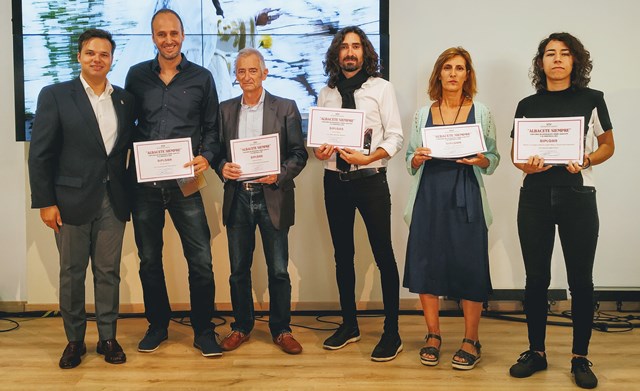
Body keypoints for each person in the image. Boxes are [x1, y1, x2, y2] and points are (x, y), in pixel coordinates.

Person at [508, 32, 615, 389]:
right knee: (536, 279)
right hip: (535, 197)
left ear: (575, 61)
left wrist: (586, 158)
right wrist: (528, 165)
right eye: (550, 53)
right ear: (540, 63)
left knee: (580, 280)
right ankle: (536, 352)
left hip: (577, 195)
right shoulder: (527, 104)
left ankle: (580, 356)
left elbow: (607, 145)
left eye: (564, 53)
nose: (557, 59)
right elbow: (515, 156)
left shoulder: (592, 99)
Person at [28, 28, 135, 369]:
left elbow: (126, 151)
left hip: (113, 200)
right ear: (79, 56)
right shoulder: (56, 95)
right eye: (90, 53)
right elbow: (40, 154)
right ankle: (74, 341)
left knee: (108, 273)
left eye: (104, 54)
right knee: (72, 273)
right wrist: (45, 202)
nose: (97, 59)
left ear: (112, 59)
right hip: (69, 201)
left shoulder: (125, 99)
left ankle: (107, 337)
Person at [124, 9, 222, 357]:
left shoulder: (202, 77)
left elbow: (213, 129)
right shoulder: (136, 76)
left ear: (183, 35)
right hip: (145, 187)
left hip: (186, 183)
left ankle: (203, 330)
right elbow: (127, 127)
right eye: (161, 34)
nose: (169, 39)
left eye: (174, 33)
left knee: (201, 261)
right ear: (153, 37)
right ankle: (158, 325)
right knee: (149, 260)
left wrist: (207, 156)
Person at [403, 47, 500, 370]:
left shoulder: (482, 111)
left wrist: (481, 159)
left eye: (460, 68)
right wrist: (416, 158)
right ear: (439, 74)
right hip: (429, 196)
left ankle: (471, 339)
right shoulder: (422, 114)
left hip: (466, 194)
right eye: (448, 68)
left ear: (468, 75)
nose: (454, 74)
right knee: (426, 263)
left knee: (470, 266)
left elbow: (494, 158)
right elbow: (409, 160)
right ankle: (433, 335)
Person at [314, 26, 404, 362]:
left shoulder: (381, 88)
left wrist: (370, 156)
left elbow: (395, 137)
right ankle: (349, 324)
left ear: (365, 52)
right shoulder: (327, 93)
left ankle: (391, 331)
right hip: (334, 181)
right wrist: (319, 152)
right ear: (337, 54)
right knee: (343, 256)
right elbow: (318, 143)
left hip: (370, 180)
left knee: (384, 255)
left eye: (356, 46)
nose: (350, 52)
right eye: (344, 47)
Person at [215, 48, 308, 355]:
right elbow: (216, 153)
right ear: (236, 76)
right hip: (238, 197)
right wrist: (221, 168)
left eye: (253, 70)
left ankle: (281, 329)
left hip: (273, 196)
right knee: (238, 269)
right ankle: (241, 326)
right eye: (241, 71)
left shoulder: (286, 107)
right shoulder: (225, 109)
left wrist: (279, 175)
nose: (247, 77)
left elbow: (299, 154)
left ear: (265, 73)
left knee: (278, 270)